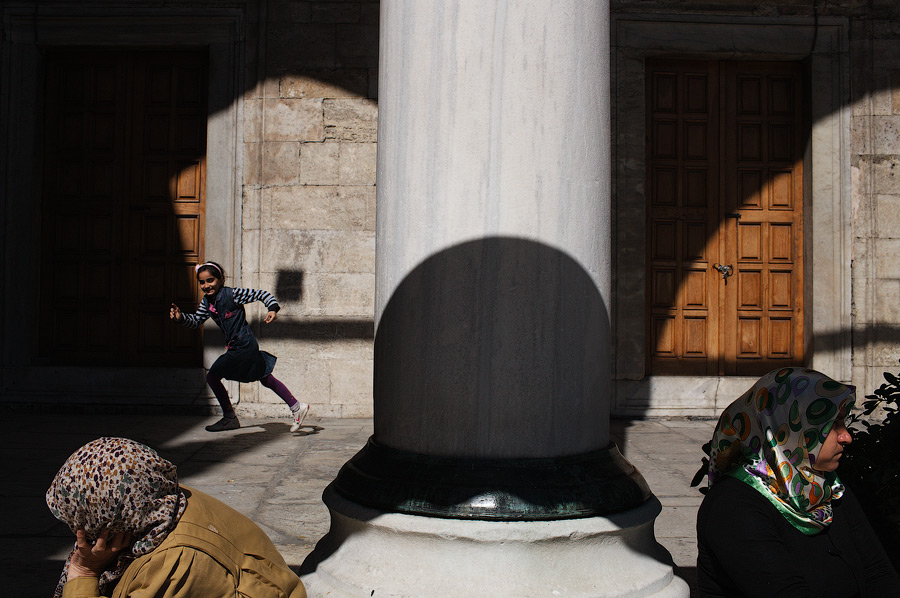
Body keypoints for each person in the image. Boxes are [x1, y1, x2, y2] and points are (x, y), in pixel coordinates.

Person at [696, 367, 899, 597]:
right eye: (833, 425)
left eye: (843, 423)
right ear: (787, 429)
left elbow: (879, 573)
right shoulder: (732, 505)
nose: (846, 437)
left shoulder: (827, 487)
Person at [46, 437, 307, 598]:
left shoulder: (170, 564)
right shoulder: (157, 499)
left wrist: (84, 573)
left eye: (79, 520)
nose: (76, 530)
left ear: (109, 520)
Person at [169, 261, 309, 432]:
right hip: (238, 346)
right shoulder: (207, 302)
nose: (206, 286)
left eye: (210, 280)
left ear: (221, 279)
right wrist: (180, 318)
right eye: (202, 282)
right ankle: (297, 406)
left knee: (212, 376)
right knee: (264, 377)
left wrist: (272, 309)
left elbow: (262, 294)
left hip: (243, 345)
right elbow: (196, 321)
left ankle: (229, 418)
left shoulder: (233, 294)